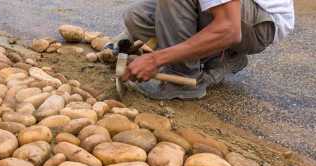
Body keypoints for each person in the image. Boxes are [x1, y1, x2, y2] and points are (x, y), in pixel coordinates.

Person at [120, 0, 295, 100]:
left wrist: (155, 60)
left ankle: (183, 80)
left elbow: (229, 29)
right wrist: (125, 40)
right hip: (232, 13)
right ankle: (222, 57)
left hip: (261, 23)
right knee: (137, 17)